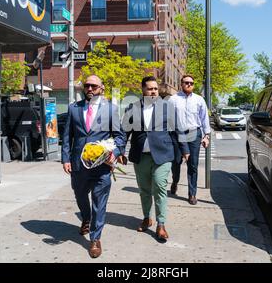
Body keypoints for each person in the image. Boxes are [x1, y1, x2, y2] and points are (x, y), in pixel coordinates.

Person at [61, 75, 126, 258]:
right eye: (87, 86)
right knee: (80, 195)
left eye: (94, 86)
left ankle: (95, 238)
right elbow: (67, 137)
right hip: (78, 165)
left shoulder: (111, 110)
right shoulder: (74, 109)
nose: (90, 89)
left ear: (101, 88)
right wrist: (65, 159)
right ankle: (86, 218)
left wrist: (114, 153)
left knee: (100, 202)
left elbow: (120, 136)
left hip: (102, 166)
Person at [122, 76, 189, 242]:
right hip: (140, 156)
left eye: (155, 89)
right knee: (144, 190)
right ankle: (147, 218)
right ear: (143, 90)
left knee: (159, 186)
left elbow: (178, 130)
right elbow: (124, 132)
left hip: (162, 154)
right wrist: (120, 150)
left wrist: (185, 149)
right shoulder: (133, 107)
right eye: (150, 88)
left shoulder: (167, 107)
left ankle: (161, 224)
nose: (153, 91)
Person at [169, 75, 211, 205]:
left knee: (193, 165)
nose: (189, 84)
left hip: (194, 134)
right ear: (181, 84)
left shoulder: (199, 100)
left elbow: (204, 119)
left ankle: (192, 193)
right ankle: (175, 181)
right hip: (177, 134)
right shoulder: (173, 99)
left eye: (191, 83)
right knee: (176, 162)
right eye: (186, 82)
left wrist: (206, 135)